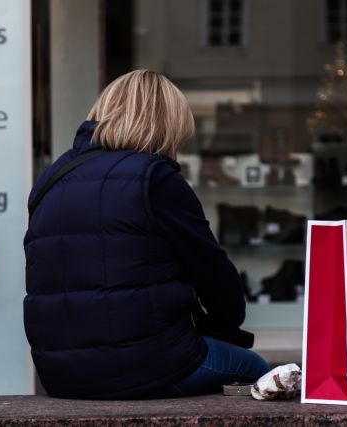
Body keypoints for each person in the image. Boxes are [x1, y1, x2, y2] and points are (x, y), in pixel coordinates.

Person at [24, 69, 270, 399]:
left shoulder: (52, 178)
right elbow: (214, 278)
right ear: (169, 125)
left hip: (60, 375)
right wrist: (225, 322)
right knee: (262, 372)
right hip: (149, 366)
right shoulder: (155, 179)